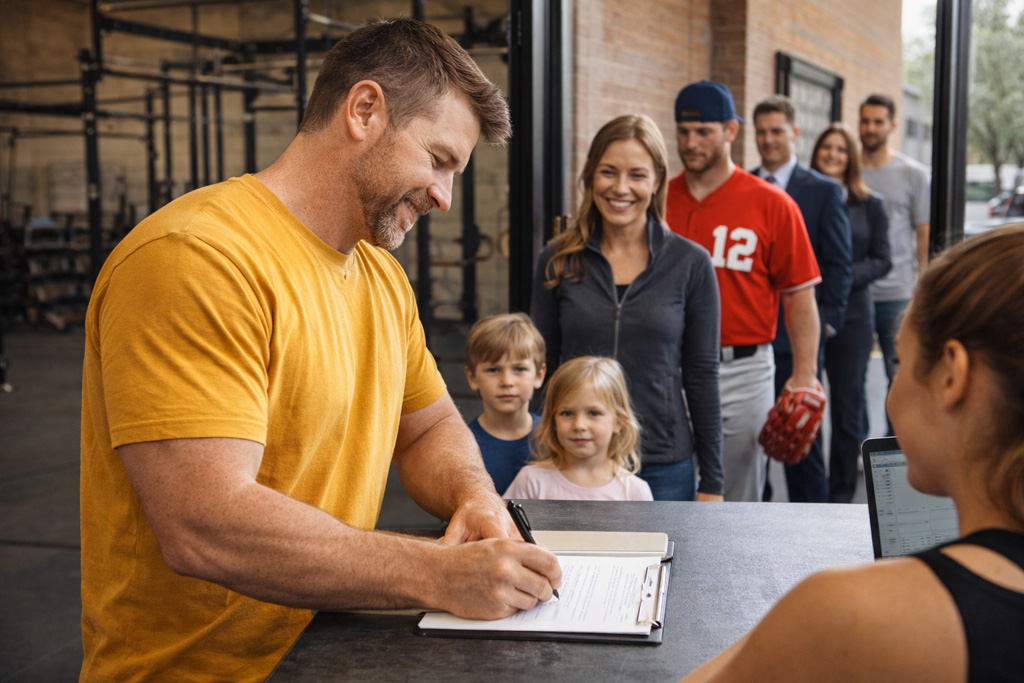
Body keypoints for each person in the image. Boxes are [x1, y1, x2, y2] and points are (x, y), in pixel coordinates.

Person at [79, 18, 561, 682]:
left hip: (323, 653)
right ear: (364, 110)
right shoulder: (195, 257)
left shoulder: (382, 279)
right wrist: (434, 573)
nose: (446, 198)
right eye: (440, 160)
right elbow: (203, 521)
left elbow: (428, 427)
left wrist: (475, 495)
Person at [679, 224, 1024, 682]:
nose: (892, 390)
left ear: (951, 376)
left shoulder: (854, 612)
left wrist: (795, 623)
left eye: (899, 360)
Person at [530, 114, 723, 502]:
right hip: (573, 462)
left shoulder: (690, 263)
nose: (621, 188)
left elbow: (702, 374)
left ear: (656, 182)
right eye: (608, 172)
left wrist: (713, 482)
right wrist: (534, 449)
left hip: (663, 461)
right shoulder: (558, 260)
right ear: (590, 177)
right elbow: (542, 366)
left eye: (637, 174)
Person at [665, 81, 821, 502]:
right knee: (668, 488)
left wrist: (804, 376)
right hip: (668, 366)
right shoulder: (659, 197)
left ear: (732, 131)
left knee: (737, 497)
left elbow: (799, 296)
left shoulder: (773, 203)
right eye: (683, 131)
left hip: (742, 369)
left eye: (704, 132)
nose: (690, 142)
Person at [750, 95, 853, 503]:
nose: (768, 140)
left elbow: (839, 266)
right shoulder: (745, 185)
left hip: (800, 342)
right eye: (761, 132)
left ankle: (815, 536)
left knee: (801, 447)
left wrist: (824, 326)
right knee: (754, 447)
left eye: (777, 131)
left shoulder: (824, 191)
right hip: (753, 342)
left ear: (794, 132)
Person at [811, 124, 892, 503]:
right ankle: (809, 494)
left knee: (846, 412)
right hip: (807, 313)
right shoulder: (802, 198)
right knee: (805, 411)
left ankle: (841, 494)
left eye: (840, 150)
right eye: (826, 147)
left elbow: (882, 260)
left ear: (851, 158)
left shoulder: (870, 203)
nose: (832, 154)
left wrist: (839, 272)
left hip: (854, 318)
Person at [859, 93, 931, 435]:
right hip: (854, 294)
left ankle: (891, 450)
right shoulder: (847, 171)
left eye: (878, 122)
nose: (870, 129)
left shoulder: (913, 174)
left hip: (897, 294)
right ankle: (858, 449)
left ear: (892, 125)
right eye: (865, 121)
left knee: (897, 378)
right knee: (851, 378)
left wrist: (923, 290)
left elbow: (923, 236)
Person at [504, 356, 653, 501]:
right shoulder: (531, 481)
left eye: (594, 413)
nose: (579, 426)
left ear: (619, 422)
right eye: (567, 413)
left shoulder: (635, 492)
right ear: (553, 419)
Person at [464, 312, 546, 493]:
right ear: (472, 377)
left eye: (519, 369)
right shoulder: (463, 447)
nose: (507, 381)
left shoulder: (554, 439)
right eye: (493, 370)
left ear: (539, 375)